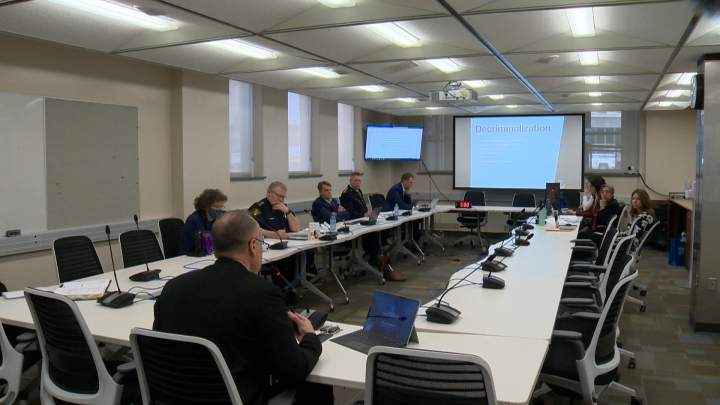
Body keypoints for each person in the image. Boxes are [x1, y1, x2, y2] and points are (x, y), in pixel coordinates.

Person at [153, 212, 333, 405]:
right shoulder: (262, 293)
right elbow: (293, 371)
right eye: (261, 244)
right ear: (253, 246)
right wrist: (310, 338)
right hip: (236, 398)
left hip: (173, 397)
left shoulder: (173, 288)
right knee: (318, 385)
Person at [340, 172, 404, 282]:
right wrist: (363, 214)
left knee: (376, 233)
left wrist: (368, 213)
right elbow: (349, 213)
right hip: (353, 224)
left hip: (362, 221)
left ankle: (379, 259)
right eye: (355, 180)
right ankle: (379, 260)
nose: (358, 182)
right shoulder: (347, 194)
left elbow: (362, 208)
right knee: (371, 237)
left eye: (359, 180)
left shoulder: (358, 191)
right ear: (350, 181)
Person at [180, 189, 227, 255]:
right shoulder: (194, 220)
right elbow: (199, 244)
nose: (221, 210)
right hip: (190, 255)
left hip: (208, 254)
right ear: (206, 207)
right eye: (217, 207)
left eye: (222, 206)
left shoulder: (217, 219)